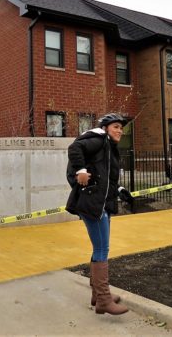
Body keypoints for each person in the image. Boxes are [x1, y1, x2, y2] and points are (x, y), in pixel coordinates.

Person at [66, 113, 134, 315]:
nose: (120, 131)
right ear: (105, 128)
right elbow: (74, 148)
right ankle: (104, 299)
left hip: (102, 203)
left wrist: (120, 190)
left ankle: (98, 294)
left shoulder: (109, 148)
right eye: (116, 127)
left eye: (121, 128)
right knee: (102, 249)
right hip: (93, 204)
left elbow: (105, 179)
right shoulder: (98, 139)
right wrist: (80, 170)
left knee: (100, 248)